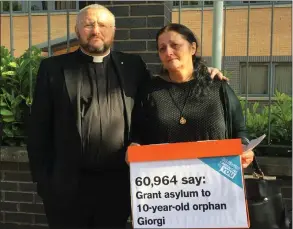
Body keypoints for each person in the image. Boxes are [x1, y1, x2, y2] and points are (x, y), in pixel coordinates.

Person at [27, 4, 226, 229]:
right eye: (88, 25)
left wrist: (203, 73)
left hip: (116, 186)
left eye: (103, 25)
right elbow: (38, 128)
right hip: (66, 187)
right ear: (77, 30)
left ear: (113, 31)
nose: (95, 31)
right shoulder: (53, 68)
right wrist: (43, 182)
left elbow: (165, 90)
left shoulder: (132, 65)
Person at [131, 23, 254, 168]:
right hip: (167, 182)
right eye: (162, 48)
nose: (168, 52)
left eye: (175, 45)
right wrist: (134, 147)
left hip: (216, 181)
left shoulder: (217, 86)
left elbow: (240, 130)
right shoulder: (150, 92)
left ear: (193, 48)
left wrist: (246, 150)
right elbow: (138, 134)